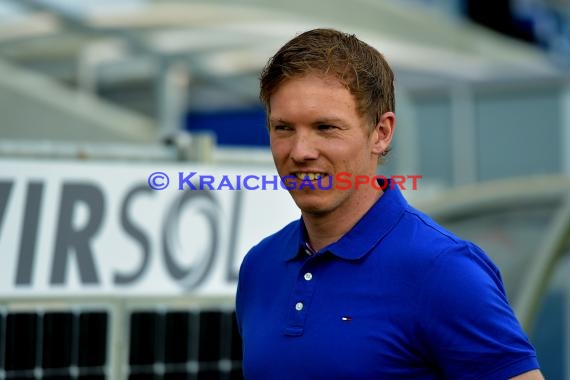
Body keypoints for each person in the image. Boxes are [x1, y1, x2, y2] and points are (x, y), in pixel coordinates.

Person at [235, 28, 543, 379]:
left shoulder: (443, 269)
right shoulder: (259, 267)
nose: (301, 151)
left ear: (381, 133)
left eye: (326, 128)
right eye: (283, 128)